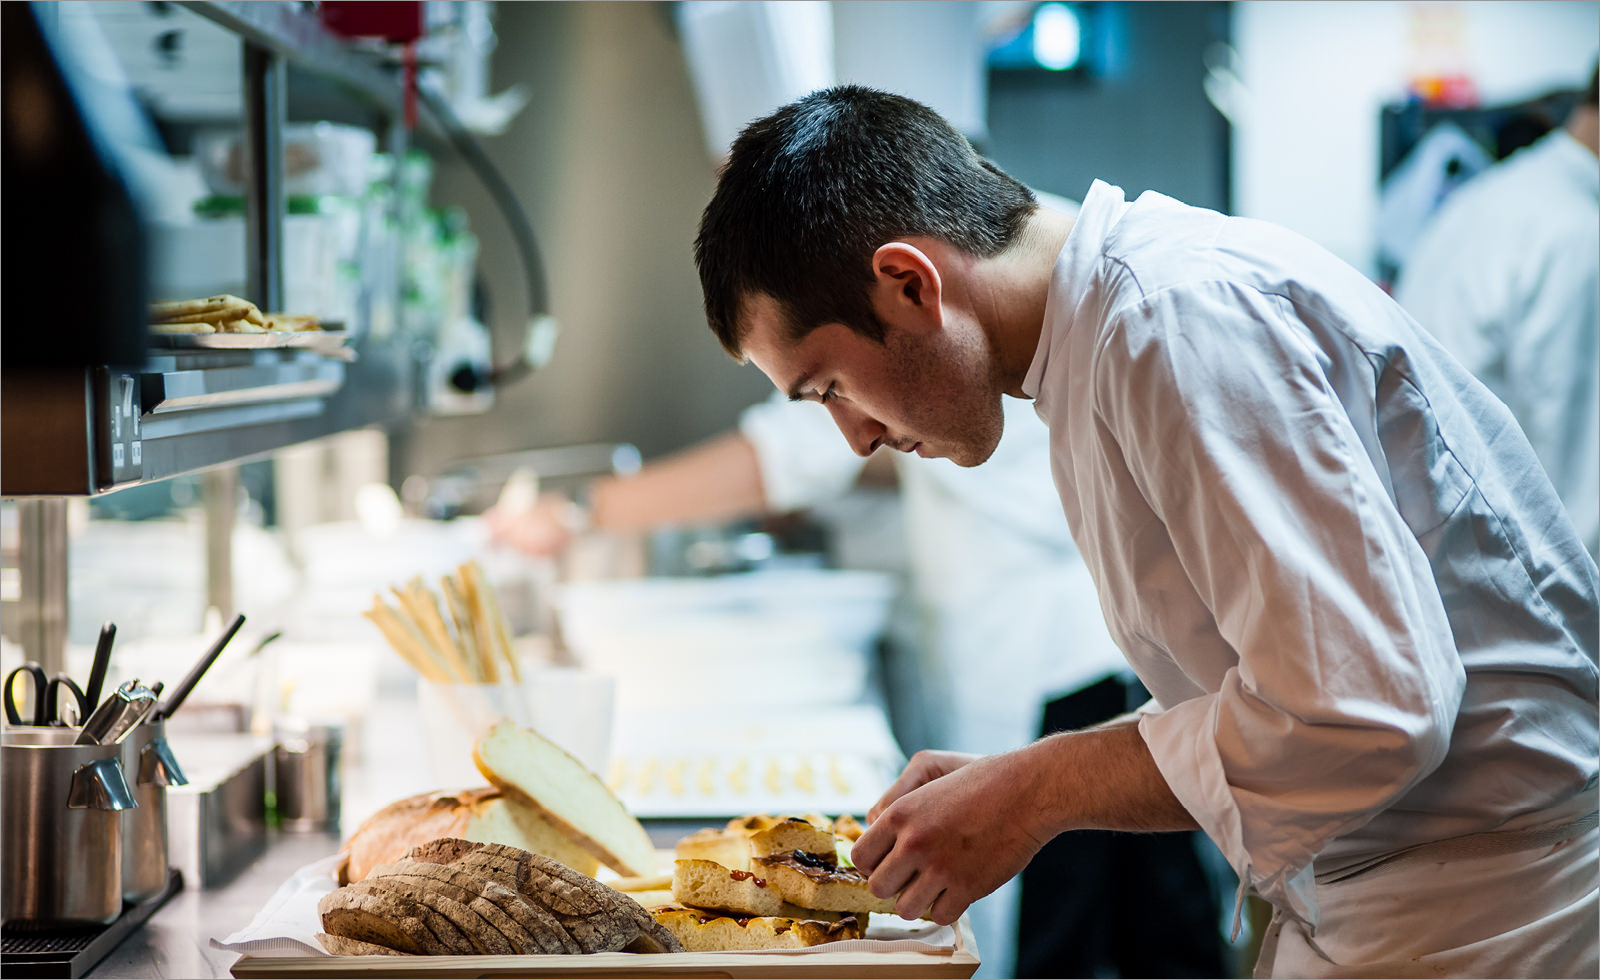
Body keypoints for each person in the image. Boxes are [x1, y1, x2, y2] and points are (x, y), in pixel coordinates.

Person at [691, 85, 1599, 977]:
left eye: (829, 388)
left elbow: (1363, 708)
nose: (852, 437)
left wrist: (1039, 791)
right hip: (1416, 889)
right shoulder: (1092, 343)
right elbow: (1283, 678)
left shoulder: (1173, 321)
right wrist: (1017, 782)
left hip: (1493, 913)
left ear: (907, 283)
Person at [487, 331, 1231, 977]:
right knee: (1153, 925)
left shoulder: (903, 294)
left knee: (1083, 934)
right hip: (1078, 648)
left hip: (1055, 662)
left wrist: (581, 511)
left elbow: (783, 456)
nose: (853, 430)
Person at [1396, 66, 1599, 560]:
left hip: (1434, 558)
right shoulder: (1575, 234)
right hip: (1508, 587)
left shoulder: (1492, 198)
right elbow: (1578, 505)